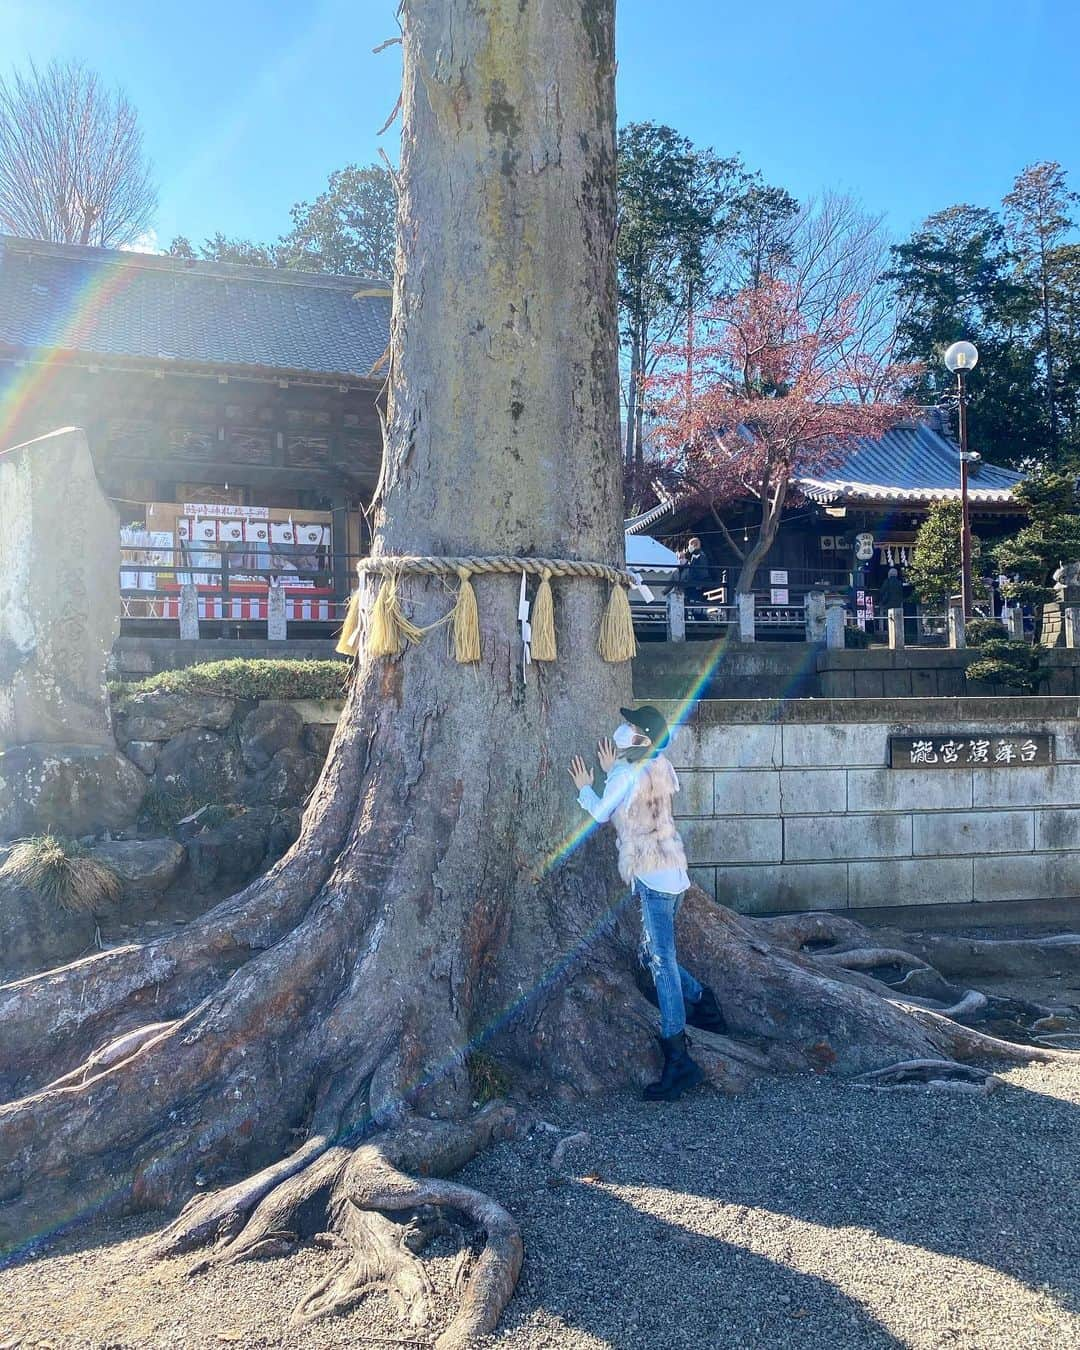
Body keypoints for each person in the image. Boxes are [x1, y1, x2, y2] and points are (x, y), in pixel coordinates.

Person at [568, 704, 726, 1102]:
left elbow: (604, 813)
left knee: (661, 963)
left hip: (652, 878)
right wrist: (612, 769)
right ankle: (705, 1002)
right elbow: (636, 802)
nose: (622, 729)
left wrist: (587, 785)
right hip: (673, 871)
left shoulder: (624, 773)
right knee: (654, 953)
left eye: (630, 726)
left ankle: (678, 1057)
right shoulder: (660, 766)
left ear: (639, 738)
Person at [664, 536, 711, 617]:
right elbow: (671, 582)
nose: (689, 547)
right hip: (689, 587)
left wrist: (698, 584)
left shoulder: (701, 556)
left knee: (696, 607)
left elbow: (702, 572)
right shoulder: (693, 557)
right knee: (690, 606)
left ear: (694, 545)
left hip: (696, 585)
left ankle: (700, 622)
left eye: (690, 545)